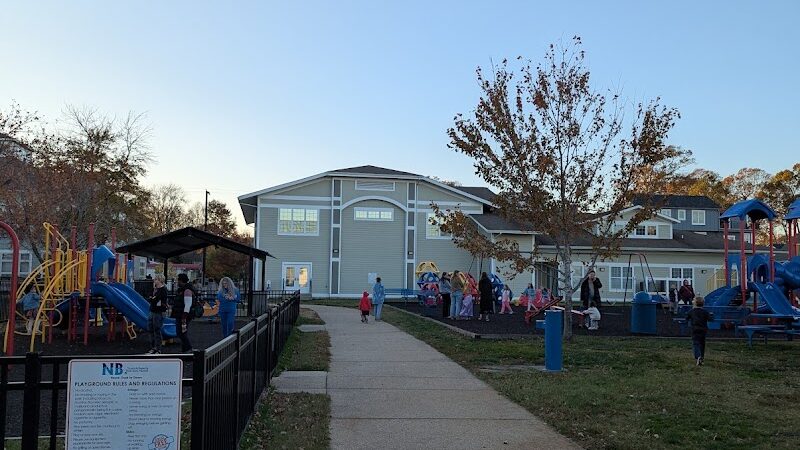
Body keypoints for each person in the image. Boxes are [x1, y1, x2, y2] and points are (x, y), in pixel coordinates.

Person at [171, 273, 194, 352]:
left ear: (181, 280)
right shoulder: (184, 290)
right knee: (182, 332)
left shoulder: (187, 290)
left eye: (178, 280)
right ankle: (185, 350)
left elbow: (188, 304)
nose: (177, 282)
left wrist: (184, 316)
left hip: (184, 315)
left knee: (181, 333)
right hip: (181, 314)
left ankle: (188, 348)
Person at [686, 296, 713, 366]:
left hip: (695, 329)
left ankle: (698, 356)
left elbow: (686, 317)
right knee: (702, 344)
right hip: (703, 330)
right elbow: (710, 319)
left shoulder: (691, 311)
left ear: (695, 303)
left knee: (696, 343)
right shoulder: (705, 312)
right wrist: (711, 315)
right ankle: (702, 357)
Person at [146, 274, 168, 354]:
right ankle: (153, 347)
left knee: (157, 329)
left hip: (158, 312)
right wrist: (152, 298)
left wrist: (152, 299)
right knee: (150, 328)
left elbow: (156, 300)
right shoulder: (155, 289)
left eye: (156, 279)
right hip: (153, 310)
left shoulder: (163, 290)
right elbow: (151, 297)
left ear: (160, 280)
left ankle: (158, 348)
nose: (154, 280)